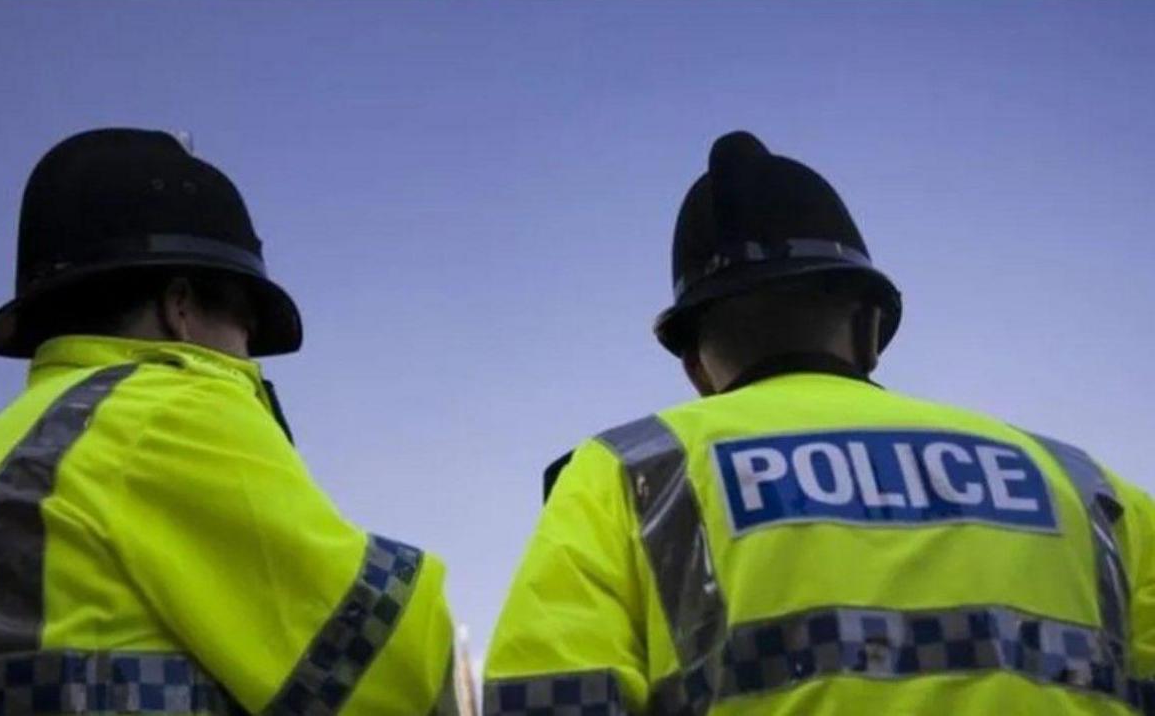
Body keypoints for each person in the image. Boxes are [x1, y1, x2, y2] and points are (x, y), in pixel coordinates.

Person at [483, 131, 1155, 715]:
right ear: (869, 329)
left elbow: (548, 698)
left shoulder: (627, 474)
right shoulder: (1092, 490)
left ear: (695, 367)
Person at [0, 128, 458, 716]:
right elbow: (388, 673)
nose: (248, 357)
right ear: (179, 308)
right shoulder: (162, 411)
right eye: (246, 328)